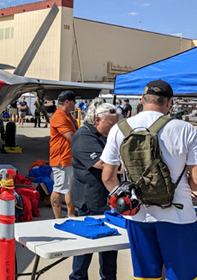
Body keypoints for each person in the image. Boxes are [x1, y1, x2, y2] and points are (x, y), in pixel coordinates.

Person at [101, 79, 197, 280]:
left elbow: (107, 177)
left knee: (146, 277)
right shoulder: (184, 129)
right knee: (185, 275)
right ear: (169, 102)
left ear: (142, 100)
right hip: (179, 216)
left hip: (138, 217)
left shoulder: (120, 128)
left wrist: (130, 201)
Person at [70, 99, 120, 280]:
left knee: (110, 245)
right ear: (97, 120)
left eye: (117, 124)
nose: (115, 128)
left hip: (107, 198)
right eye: (111, 124)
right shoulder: (84, 136)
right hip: (90, 200)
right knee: (86, 247)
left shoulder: (107, 135)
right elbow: (102, 163)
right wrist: (127, 166)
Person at [49, 90, 78, 218]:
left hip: (68, 158)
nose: (75, 104)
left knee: (69, 189)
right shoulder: (59, 116)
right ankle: (57, 218)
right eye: (74, 101)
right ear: (67, 102)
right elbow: (70, 136)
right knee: (59, 189)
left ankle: (71, 215)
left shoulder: (67, 115)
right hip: (62, 159)